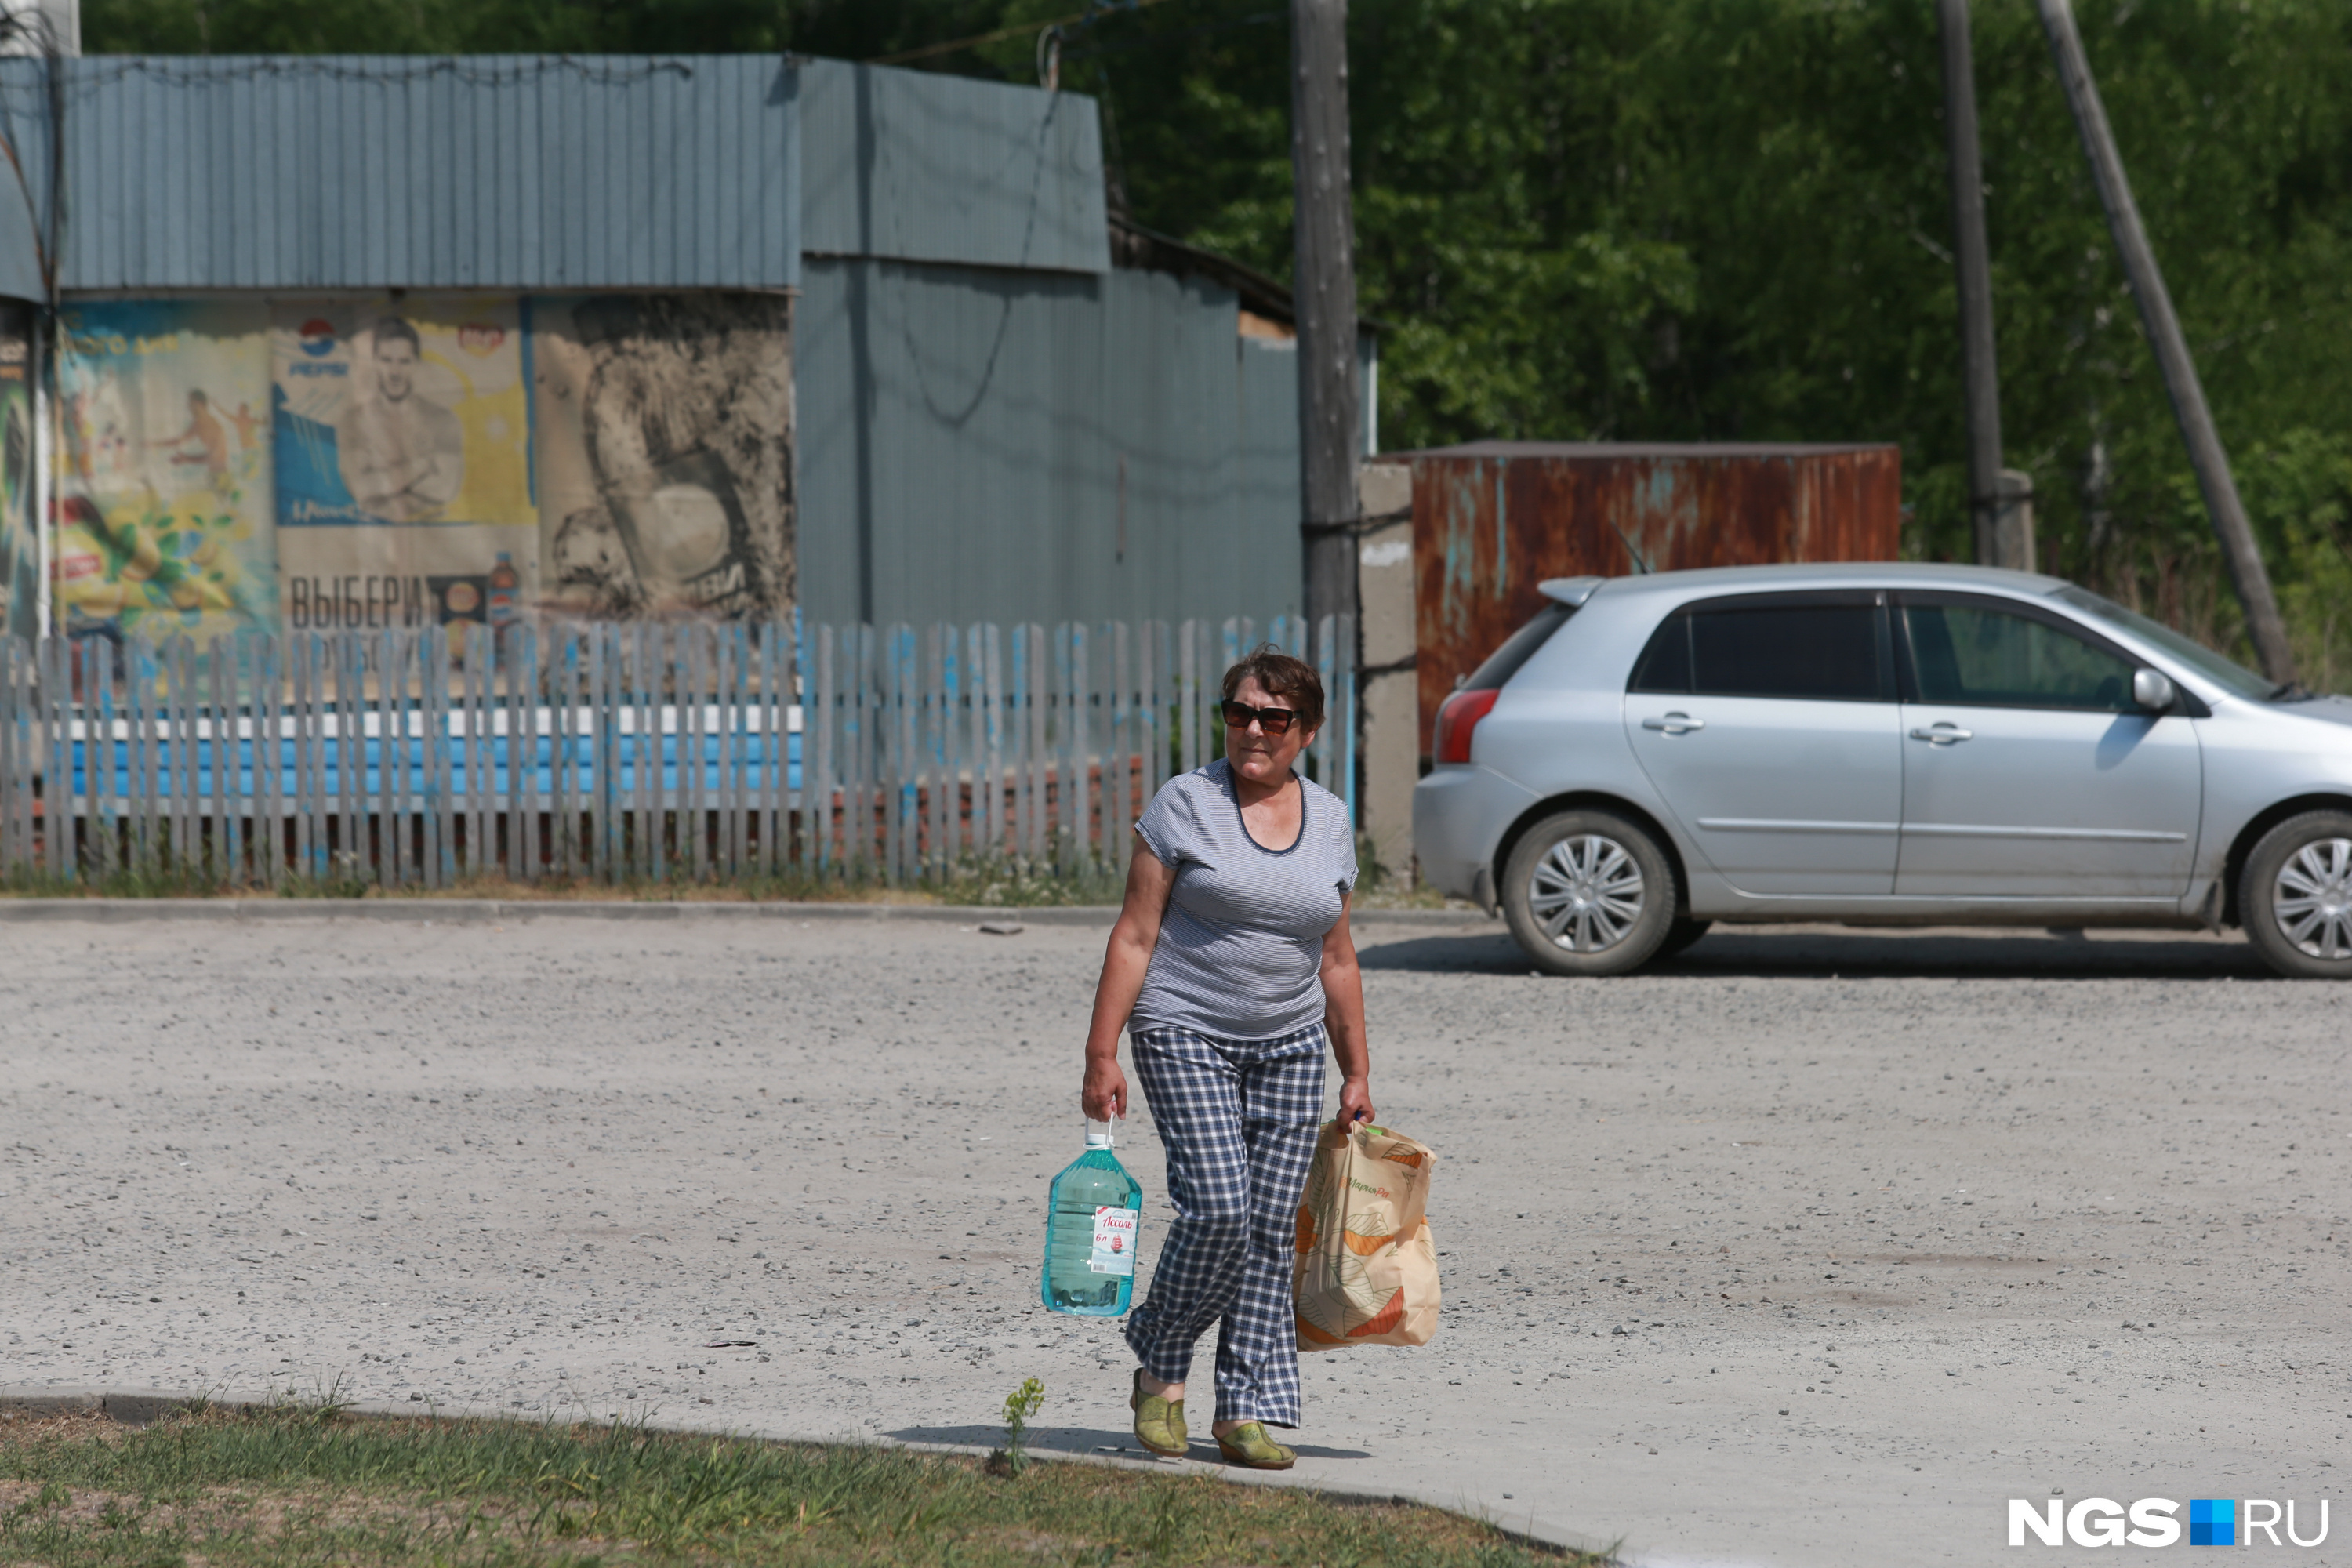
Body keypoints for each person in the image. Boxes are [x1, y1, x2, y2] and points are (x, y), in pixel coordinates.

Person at [1078, 644, 1372, 1472]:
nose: (1252, 729)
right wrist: (1103, 1053)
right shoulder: (1186, 803)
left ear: (1305, 730)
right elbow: (1135, 933)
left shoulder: (1332, 819)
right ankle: (1161, 1361)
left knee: (1271, 1229)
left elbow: (1339, 956)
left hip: (1288, 1043)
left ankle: (1241, 1410)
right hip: (1185, 1029)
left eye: (1273, 717)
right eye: (1239, 711)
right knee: (1218, 1207)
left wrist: (1355, 1069)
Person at [337, 317, 463, 522]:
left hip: (432, 533)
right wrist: (422, 466)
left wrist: (383, 480)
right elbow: (362, 489)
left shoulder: (444, 420)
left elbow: (445, 489)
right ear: (375, 361)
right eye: (387, 360)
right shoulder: (353, 421)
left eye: (404, 361)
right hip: (374, 538)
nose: (395, 372)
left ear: (417, 363)